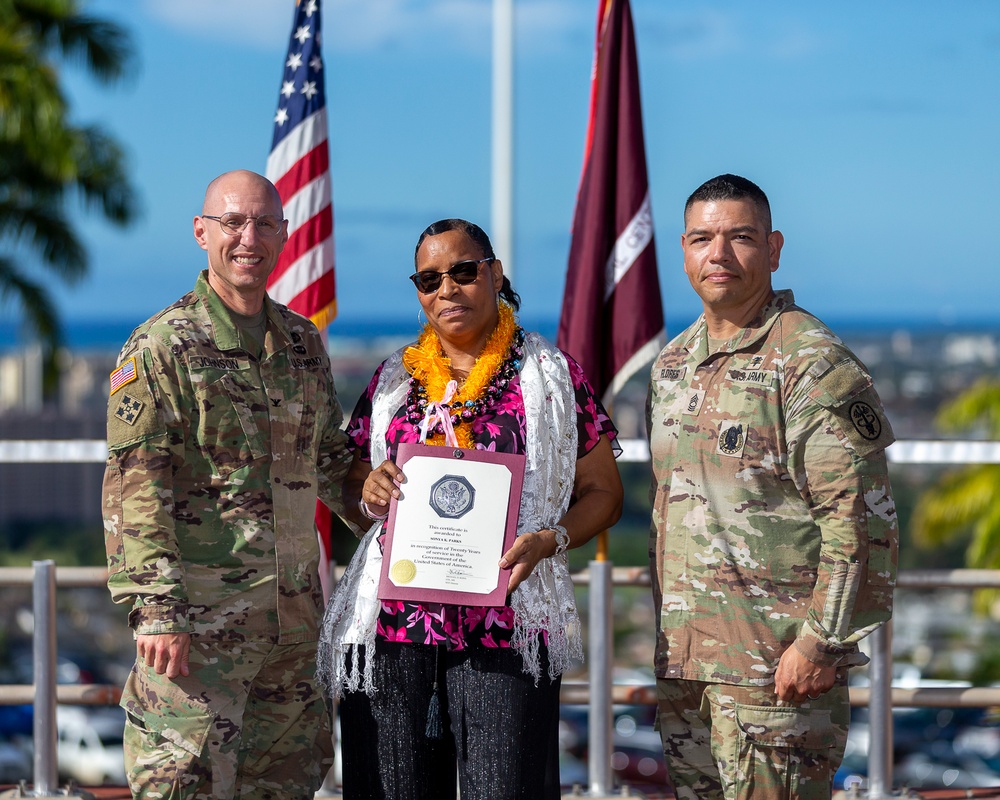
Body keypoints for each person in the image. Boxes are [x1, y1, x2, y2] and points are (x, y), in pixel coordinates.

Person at [318, 218, 623, 800]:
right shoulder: (391, 381)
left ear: (495, 274)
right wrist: (371, 485)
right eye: (429, 280)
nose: (447, 290)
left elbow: (605, 493)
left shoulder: (552, 376)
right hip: (393, 625)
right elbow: (353, 474)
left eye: (463, 271)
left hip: (505, 622)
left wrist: (551, 540)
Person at [646, 174, 898, 800]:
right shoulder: (672, 364)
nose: (719, 254)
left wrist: (821, 642)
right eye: (702, 238)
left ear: (775, 248)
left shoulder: (810, 360)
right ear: (683, 249)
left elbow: (860, 519)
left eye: (741, 237)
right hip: (687, 673)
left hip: (776, 676)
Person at [101, 169, 352, 800]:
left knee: (288, 787)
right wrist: (157, 608)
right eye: (233, 223)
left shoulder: (300, 343)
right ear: (201, 232)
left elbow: (330, 459)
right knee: (183, 786)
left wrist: (417, 523)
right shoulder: (163, 347)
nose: (249, 238)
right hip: (197, 637)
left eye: (265, 223)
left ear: (285, 235)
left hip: (291, 633)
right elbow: (137, 487)